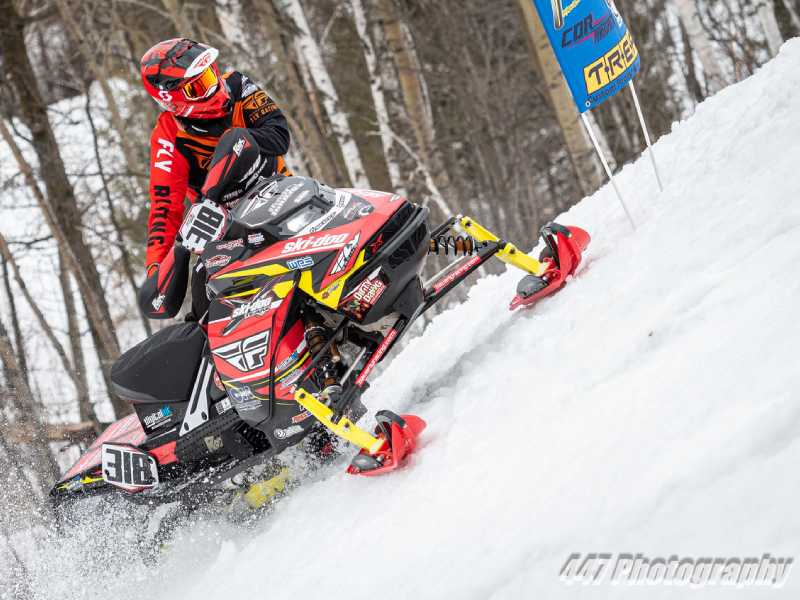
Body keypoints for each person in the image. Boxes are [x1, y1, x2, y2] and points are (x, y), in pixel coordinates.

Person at [138, 38, 291, 320]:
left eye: (210, 74)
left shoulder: (237, 85)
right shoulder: (168, 138)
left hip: (283, 194)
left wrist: (241, 141)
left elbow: (279, 134)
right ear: (172, 99)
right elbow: (164, 208)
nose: (213, 87)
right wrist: (157, 270)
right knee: (203, 305)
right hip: (227, 230)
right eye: (198, 86)